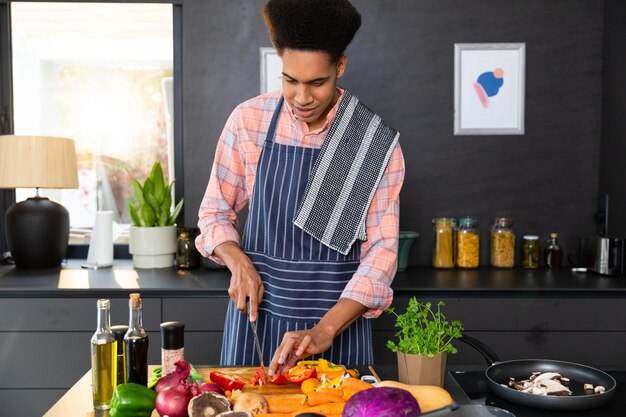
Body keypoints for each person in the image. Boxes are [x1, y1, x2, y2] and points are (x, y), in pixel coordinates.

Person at [196, 0, 405, 376]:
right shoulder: (250, 121)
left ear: (340, 66)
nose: (302, 98)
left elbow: (382, 254)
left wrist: (326, 329)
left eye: (317, 82)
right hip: (257, 320)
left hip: (335, 325)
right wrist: (237, 261)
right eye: (290, 80)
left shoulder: (371, 142)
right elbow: (214, 213)